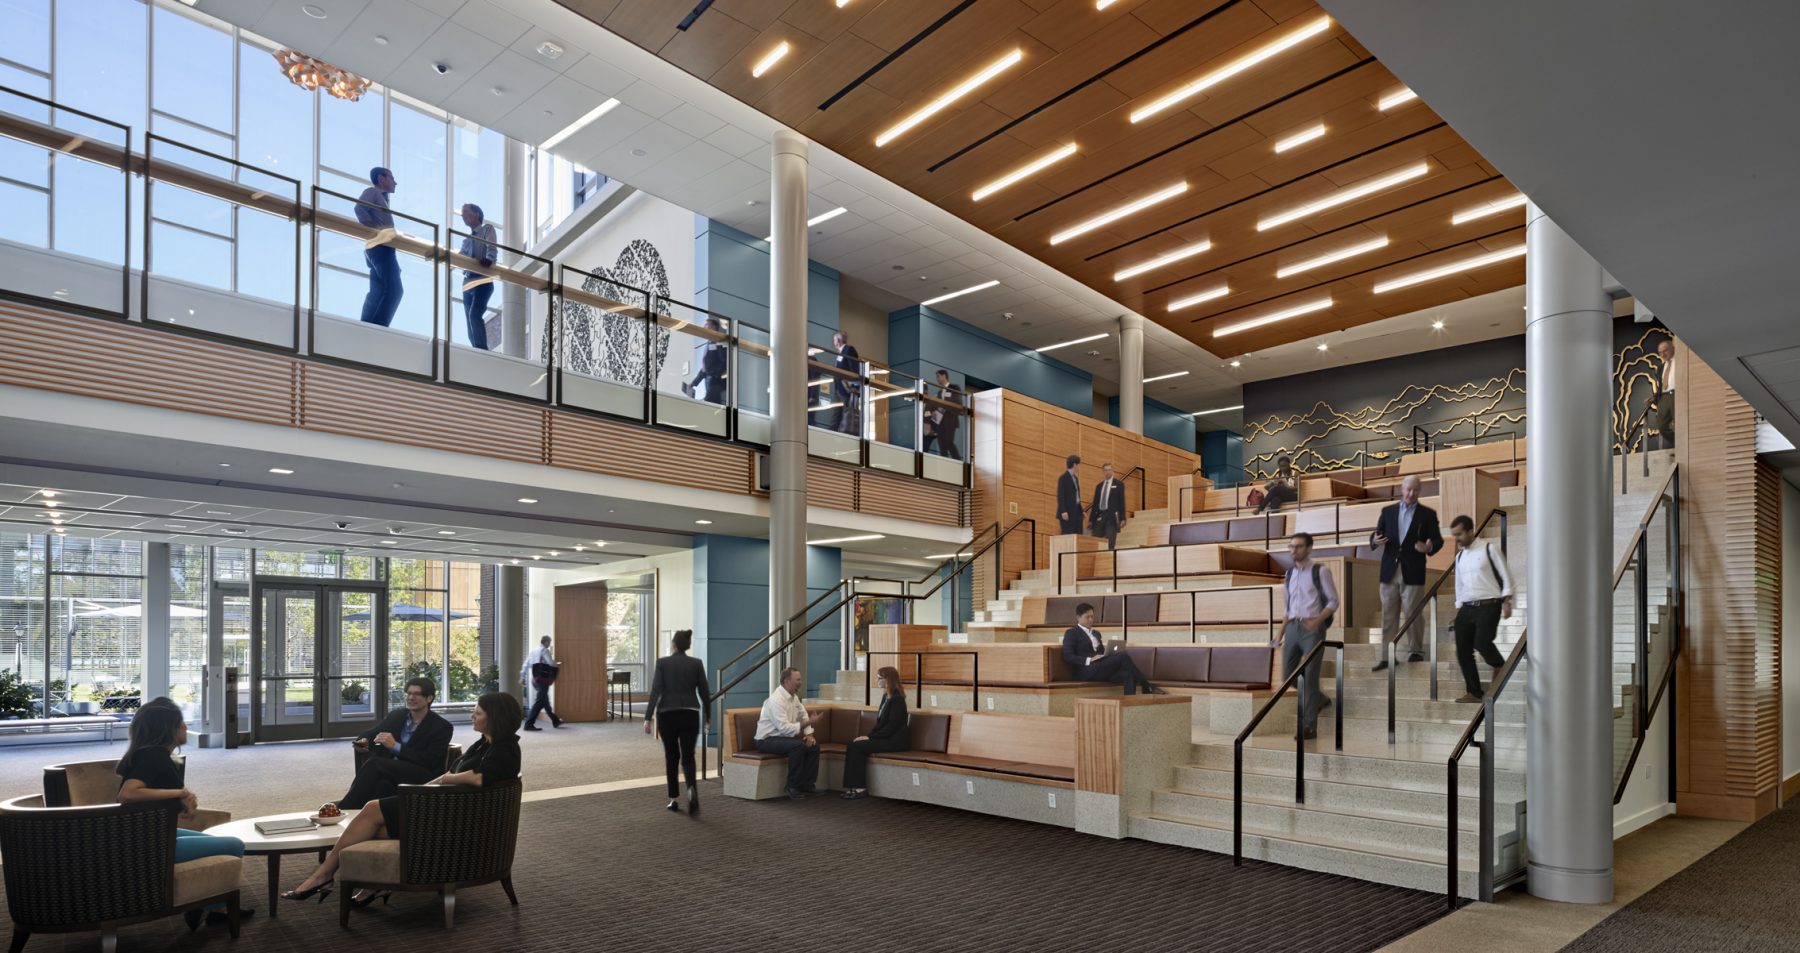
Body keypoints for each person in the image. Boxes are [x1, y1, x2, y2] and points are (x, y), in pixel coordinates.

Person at [285, 692, 523, 906]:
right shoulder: (485, 744)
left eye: (478, 712)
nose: (472, 715)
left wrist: (443, 781)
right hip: (442, 808)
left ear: (495, 718)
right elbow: (455, 774)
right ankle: (366, 881)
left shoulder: (506, 749)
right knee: (372, 828)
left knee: (372, 809)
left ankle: (323, 876)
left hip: (453, 821)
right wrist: (431, 786)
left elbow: (479, 778)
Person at [116, 699, 250, 928]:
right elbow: (128, 794)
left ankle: (211, 908)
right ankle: (208, 907)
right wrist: (179, 792)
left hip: (150, 833)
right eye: (181, 723)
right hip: (148, 844)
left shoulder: (149, 754)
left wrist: (181, 799)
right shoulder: (153, 755)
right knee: (235, 845)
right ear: (168, 729)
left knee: (219, 842)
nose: (186, 727)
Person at [336, 676, 453, 808]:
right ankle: (363, 819)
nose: (410, 698)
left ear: (429, 698)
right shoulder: (398, 715)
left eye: (416, 694)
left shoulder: (442, 727)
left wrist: (396, 747)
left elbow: (429, 760)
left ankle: (342, 808)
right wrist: (364, 740)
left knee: (375, 764)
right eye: (408, 693)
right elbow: (373, 732)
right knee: (382, 786)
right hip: (392, 770)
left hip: (421, 773)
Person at [1369, 475, 1444, 671]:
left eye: (1416, 490)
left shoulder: (1427, 514)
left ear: (1420, 491)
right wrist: (1374, 541)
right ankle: (1386, 656)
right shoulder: (1387, 511)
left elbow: (1438, 540)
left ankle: (1416, 651)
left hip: (1413, 570)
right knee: (1388, 615)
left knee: (1413, 613)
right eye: (1408, 489)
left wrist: (1429, 547)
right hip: (1389, 570)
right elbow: (1377, 534)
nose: (1411, 493)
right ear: (1402, 489)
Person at [644, 629, 712, 815]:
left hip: (668, 714)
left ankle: (673, 798)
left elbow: (656, 691)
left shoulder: (663, 663)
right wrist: (708, 714)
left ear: (673, 645)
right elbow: (704, 692)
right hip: (690, 713)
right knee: (688, 756)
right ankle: (691, 789)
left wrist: (648, 716)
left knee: (671, 756)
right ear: (687, 646)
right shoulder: (696, 664)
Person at [1449, 514, 1514, 702]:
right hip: (1467, 607)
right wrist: (1458, 608)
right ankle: (1474, 692)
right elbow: (1459, 585)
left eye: (1459, 534)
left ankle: (1500, 665)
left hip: (1489, 604)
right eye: (1454, 535)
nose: (1457, 539)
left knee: (1482, 642)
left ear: (1471, 531)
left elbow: (1506, 575)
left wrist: (1507, 601)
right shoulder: (1460, 556)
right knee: (1463, 651)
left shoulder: (1489, 549)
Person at [1280, 533, 1339, 740]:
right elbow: (1287, 609)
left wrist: (1317, 621)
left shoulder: (1320, 571)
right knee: (1287, 676)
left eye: (1298, 546)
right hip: (1293, 628)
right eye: (1291, 546)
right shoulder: (1288, 575)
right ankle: (1319, 699)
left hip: (1313, 628)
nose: (1293, 550)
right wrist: (1279, 634)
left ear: (1309, 548)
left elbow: (1333, 602)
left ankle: (1309, 727)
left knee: (1310, 676)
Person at [1060, 603, 1160, 696]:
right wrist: (1089, 660)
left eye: (1092, 616)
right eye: (1087, 617)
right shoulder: (1071, 633)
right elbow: (1068, 656)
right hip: (1086, 671)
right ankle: (1146, 686)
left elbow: (1101, 653)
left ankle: (1129, 705)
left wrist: (1107, 654)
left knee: (1128, 675)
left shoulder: (1096, 633)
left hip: (1100, 669)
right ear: (1078, 617)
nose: (1091, 619)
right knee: (1123, 655)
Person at [841, 666, 909, 800]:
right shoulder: (886, 697)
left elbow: (892, 726)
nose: (877, 680)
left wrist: (869, 737)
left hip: (894, 741)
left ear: (888, 680)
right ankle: (854, 787)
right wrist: (867, 736)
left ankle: (860, 788)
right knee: (853, 745)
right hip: (885, 738)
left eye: (879, 678)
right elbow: (879, 724)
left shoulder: (897, 700)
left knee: (856, 747)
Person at [753, 666, 819, 800]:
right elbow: (784, 729)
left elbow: (803, 714)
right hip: (766, 740)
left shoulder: (793, 698)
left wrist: (809, 735)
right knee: (798, 746)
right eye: (798, 680)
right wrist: (807, 723)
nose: (801, 683)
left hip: (783, 739)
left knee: (813, 746)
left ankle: (808, 785)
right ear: (787, 681)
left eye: (800, 679)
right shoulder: (776, 700)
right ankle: (792, 786)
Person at [356, 166, 403, 327]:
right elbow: (359, 208)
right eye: (392, 178)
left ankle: (367, 325)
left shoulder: (382, 198)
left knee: (378, 290)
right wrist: (374, 229)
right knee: (395, 290)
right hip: (380, 246)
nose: (395, 183)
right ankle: (378, 327)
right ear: (381, 178)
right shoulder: (373, 192)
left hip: (379, 247)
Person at [457, 203, 498, 350]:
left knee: (474, 314)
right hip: (468, 281)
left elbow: (491, 246)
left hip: (483, 278)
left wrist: (489, 259)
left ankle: (481, 350)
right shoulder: (466, 240)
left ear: (476, 214)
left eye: (466, 212)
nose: (463, 215)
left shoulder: (487, 229)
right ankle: (475, 348)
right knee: (469, 319)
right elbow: (460, 257)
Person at [682, 317, 728, 404]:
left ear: (714, 327)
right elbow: (705, 369)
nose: (704, 326)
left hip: (715, 382)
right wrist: (693, 383)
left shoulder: (719, 342)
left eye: (707, 324)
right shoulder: (709, 343)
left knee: (709, 404)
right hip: (709, 381)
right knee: (711, 404)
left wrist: (714, 375)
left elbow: (724, 362)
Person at [521, 635, 562, 730]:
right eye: (549, 642)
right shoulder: (544, 650)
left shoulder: (534, 650)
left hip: (535, 679)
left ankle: (555, 720)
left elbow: (526, 664)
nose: (549, 644)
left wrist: (522, 676)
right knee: (539, 702)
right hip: (543, 680)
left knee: (545, 701)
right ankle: (528, 724)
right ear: (546, 642)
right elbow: (551, 663)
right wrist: (557, 664)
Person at [1089, 462, 1126, 550]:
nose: (1107, 472)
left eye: (1109, 470)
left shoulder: (1119, 484)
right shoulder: (1099, 486)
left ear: (1112, 471)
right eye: (1105, 470)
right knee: (1094, 540)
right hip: (1100, 516)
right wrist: (1091, 520)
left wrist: (1123, 518)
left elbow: (1122, 501)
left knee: (1110, 542)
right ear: (1103, 472)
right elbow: (1095, 504)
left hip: (1112, 517)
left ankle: (1110, 560)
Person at [1647, 337, 1676, 449]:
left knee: (1680, 423)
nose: (1663, 354)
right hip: (1663, 398)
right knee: (1662, 427)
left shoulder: (1681, 363)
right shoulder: (1660, 367)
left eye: (1665, 351)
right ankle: (1678, 442)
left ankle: (1684, 445)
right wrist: (1654, 397)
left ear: (1673, 349)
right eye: (1660, 352)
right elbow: (1660, 386)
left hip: (1676, 395)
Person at [926, 369, 962, 459]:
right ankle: (944, 463)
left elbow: (957, 403)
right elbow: (937, 407)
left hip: (950, 420)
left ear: (943, 376)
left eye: (938, 376)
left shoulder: (954, 387)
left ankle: (957, 461)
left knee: (949, 442)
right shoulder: (939, 392)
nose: (937, 379)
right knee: (942, 445)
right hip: (941, 423)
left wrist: (942, 406)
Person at [832, 331, 861, 434]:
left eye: (834, 340)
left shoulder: (849, 350)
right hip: (839, 390)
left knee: (846, 414)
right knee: (837, 415)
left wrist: (854, 386)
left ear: (838, 341)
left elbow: (855, 369)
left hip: (846, 390)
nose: (833, 342)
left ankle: (845, 434)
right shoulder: (840, 353)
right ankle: (834, 433)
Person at [1056, 454, 1084, 535]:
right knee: (1068, 535)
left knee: (1078, 535)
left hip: (1077, 512)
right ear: (1075, 465)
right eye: (1078, 465)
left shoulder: (1076, 478)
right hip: (1067, 512)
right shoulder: (1063, 478)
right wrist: (1063, 511)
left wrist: (1081, 510)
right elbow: (1060, 496)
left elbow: (1077, 497)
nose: (1079, 467)